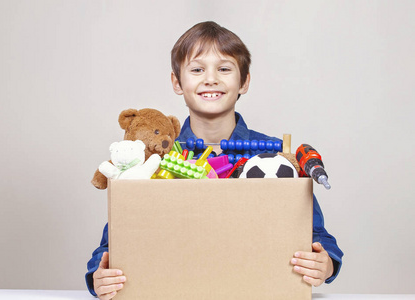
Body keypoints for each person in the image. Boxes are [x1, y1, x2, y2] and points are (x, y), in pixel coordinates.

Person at [86, 21, 343, 299]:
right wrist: (99, 276)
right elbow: (113, 242)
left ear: (244, 81)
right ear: (177, 82)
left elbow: (318, 236)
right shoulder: (155, 158)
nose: (211, 79)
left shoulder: (277, 158)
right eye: (197, 69)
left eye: (224, 68)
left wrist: (325, 263)